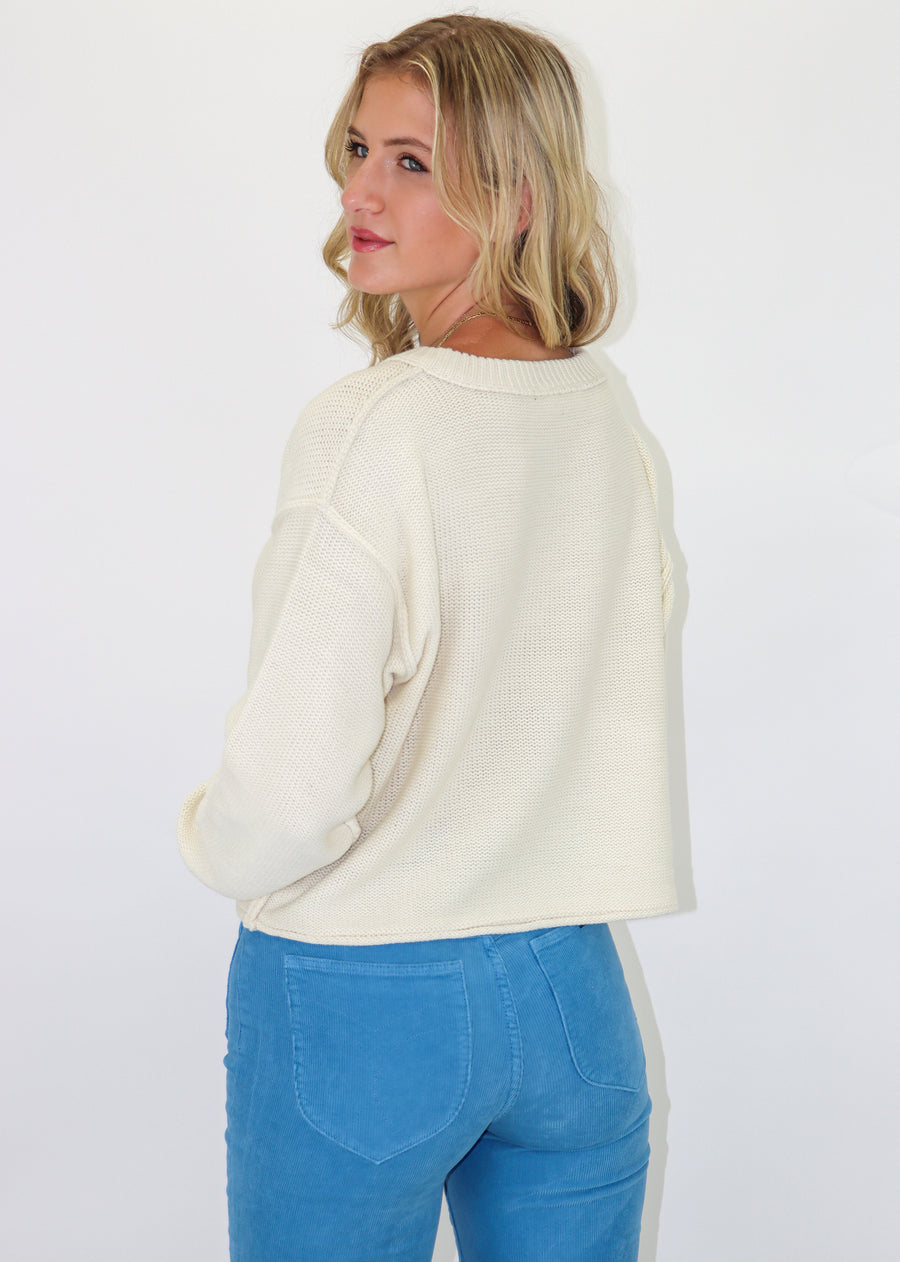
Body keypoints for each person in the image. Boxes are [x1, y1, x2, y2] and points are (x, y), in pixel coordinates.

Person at [177, 13, 678, 1261]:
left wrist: (214, 839)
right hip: (570, 991)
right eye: (359, 149)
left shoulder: (374, 428)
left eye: (412, 161)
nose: (361, 190)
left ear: (516, 198)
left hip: (363, 992)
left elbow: (290, 787)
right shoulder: (605, 416)